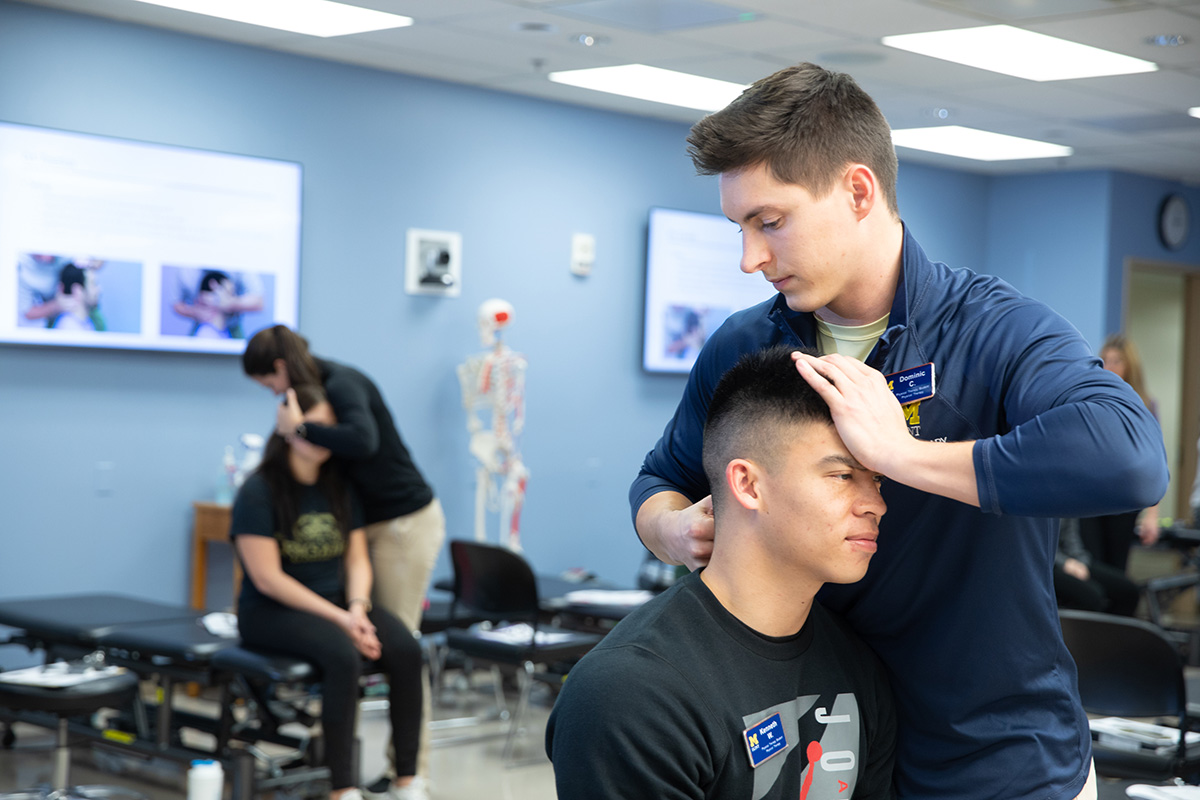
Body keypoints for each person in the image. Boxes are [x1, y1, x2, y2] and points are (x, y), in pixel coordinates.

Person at [631, 62, 1168, 799]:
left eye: (771, 222)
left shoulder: (996, 329)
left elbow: (1130, 457)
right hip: (828, 757)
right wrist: (669, 530)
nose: (750, 258)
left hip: (1000, 764)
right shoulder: (743, 345)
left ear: (858, 191)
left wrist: (903, 457)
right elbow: (660, 480)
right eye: (741, 227)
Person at [548, 346, 896, 799]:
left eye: (878, 479)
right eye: (842, 476)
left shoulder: (857, 666)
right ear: (748, 485)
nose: (877, 504)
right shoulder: (629, 694)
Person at [242, 325, 444, 798]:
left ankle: (409, 774)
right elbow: (267, 579)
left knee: (399, 643)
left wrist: (301, 430)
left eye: (266, 382)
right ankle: (339, 774)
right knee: (344, 648)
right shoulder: (265, 490)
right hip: (321, 579)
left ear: (277, 367)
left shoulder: (342, 385)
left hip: (401, 522)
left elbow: (363, 439)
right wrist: (346, 613)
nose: (272, 394)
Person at [1080, 333, 1162, 570]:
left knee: (1116, 568)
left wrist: (1152, 514)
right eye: (1105, 360)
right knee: (1092, 566)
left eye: (1117, 361)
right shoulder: (1092, 400)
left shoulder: (1144, 405)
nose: (1109, 366)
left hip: (1124, 497)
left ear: (1130, 366)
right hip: (1090, 495)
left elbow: (1154, 460)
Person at [1054, 517, 1140, 617]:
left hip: (1073, 560)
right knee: (1092, 597)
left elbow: (1071, 538)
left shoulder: (1065, 504)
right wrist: (1064, 563)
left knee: (1127, 591)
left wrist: (1081, 562)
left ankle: (1112, 632)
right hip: (1047, 566)